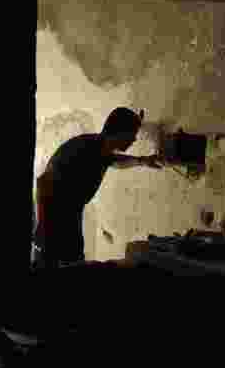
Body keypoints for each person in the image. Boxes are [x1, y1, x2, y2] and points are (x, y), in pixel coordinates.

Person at [32, 107, 162, 269]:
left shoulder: (101, 149)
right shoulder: (85, 148)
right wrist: (44, 227)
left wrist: (142, 161)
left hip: (70, 218)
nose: (134, 139)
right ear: (121, 131)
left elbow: (115, 161)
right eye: (133, 134)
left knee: (73, 263)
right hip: (54, 224)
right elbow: (43, 183)